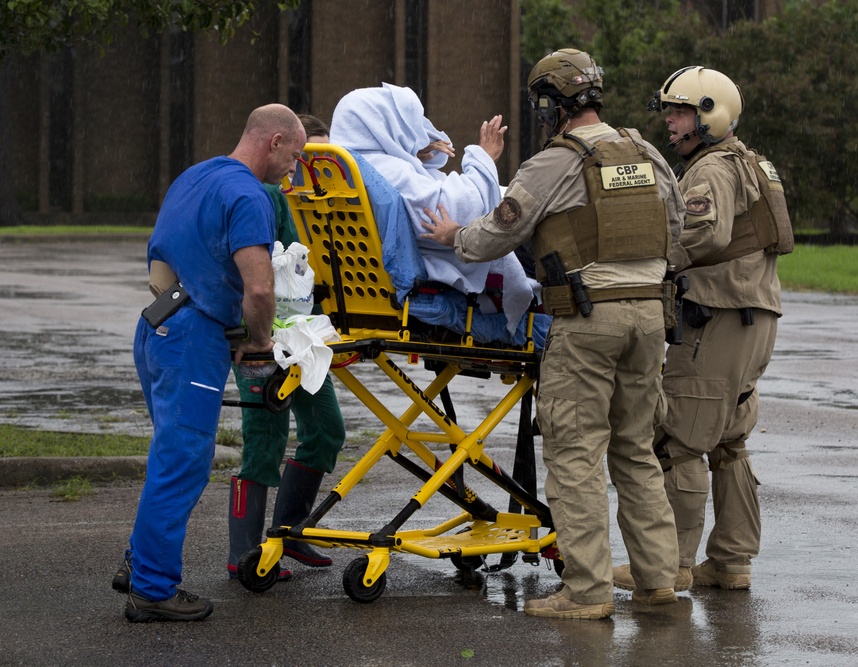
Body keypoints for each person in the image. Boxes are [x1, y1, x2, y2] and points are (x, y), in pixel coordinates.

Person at [420, 48, 686, 620]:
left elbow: (497, 233)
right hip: (648, 318)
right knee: (636, 449)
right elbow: (679, 229)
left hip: (588, 319)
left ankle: (586, 592)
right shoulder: (647, 153)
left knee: (575, 452)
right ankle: (656, 578)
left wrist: (452, 237)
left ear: (552, 104)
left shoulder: (555, 161)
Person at [113, 104, 306, 622]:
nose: (295, 167)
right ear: (274, 141)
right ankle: (153, 591)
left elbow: (164, 256)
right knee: (183, 461)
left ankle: (139, 564)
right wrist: (259, 340)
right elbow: (260, 286)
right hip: (192, 336)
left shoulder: (195, 176)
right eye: (296, 154)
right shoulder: (249, 194)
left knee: (168, 456)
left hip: (157, 320)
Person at [613, 66, 790, 592]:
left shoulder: (711, 169)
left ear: (711, 114)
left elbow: (704, 233)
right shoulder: (752, 162)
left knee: (678, 442)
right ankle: (732, 561)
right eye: (669, 110)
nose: (670, 121)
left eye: (681, 111)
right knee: (729, 442)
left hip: (716, 320)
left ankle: (668, 567)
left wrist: (648, 261)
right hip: (755, 318)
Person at [329, 83, 544, 347]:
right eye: (407, 124)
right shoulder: (391, 173)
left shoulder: (344, 170)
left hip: (361, 292)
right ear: (385, 125)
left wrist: (411, 150)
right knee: (532, 247)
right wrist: (484, 158)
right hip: (428, 286)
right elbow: (458, 212)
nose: (416, 129)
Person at [226, 113, 346, 582]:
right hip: (262, 331)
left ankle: (289, 532)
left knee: (325, 428)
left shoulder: (322, 204)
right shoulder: (271, 196)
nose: (309, 168)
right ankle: (245, 554)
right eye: (304, 157)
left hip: (304, 334)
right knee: (264, 437)